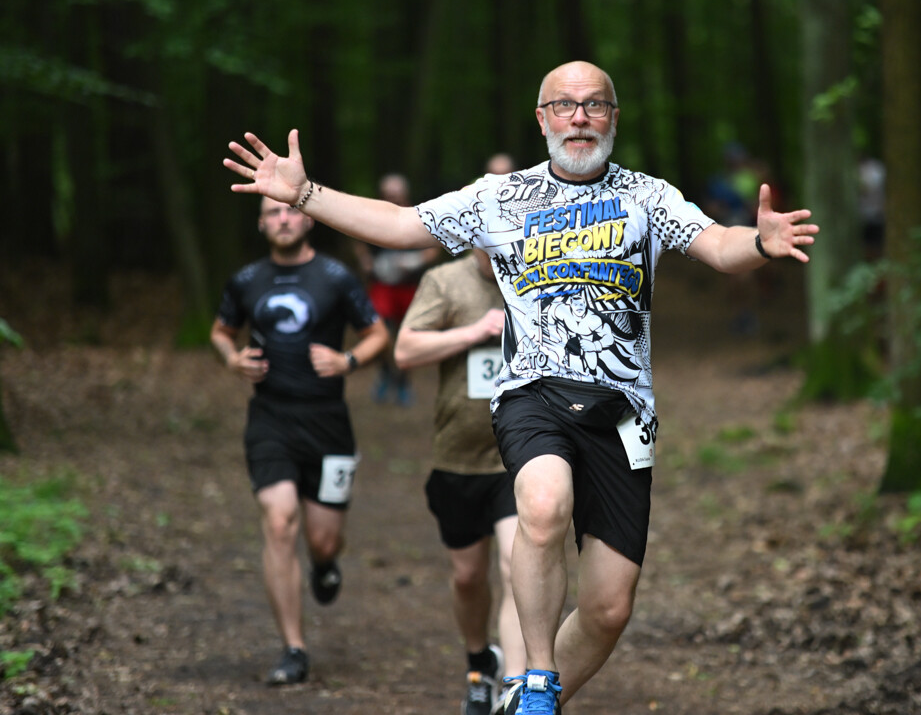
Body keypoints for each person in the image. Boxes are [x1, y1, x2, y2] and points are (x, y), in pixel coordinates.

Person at [223, 60, 819, 714]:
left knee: (609, 608)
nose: (580, 117)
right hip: (533, 394)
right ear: (542, 119)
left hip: (623, 415)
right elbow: (399, 225)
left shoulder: (648, 197)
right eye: (564, 105)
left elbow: (720, 245)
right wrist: (305, 194)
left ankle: (527, 705)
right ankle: (535, 677)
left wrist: (759, 243)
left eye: (595, 105)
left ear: (614, 119)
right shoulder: (498, 197)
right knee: (542, 503)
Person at [210, 196, 389, 686]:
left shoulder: (335, 277)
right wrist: (232, 359)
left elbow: (378, 334)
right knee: (279, 521)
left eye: (290, 210)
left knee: (323, 540)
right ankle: (294, 647)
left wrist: (347, 362)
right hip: (270, 419)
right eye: (273, 213)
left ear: (307, 219)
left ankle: (325, 564)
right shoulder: (246, 280)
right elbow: (221, 332)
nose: (283, 219)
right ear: (261, 223)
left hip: (328, 423)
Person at [393, 248, 523, 715]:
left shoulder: (539, 273)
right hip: (458, 459)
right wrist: (475, 331)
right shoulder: (446, 281)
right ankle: (479, 664)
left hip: (518, 457)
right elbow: (404, 351)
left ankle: (515, 688)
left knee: (516, 569)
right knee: (468, 577)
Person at [352, 173, 440, 405]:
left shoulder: (419, 214)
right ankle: (384, 374)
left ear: (405, 194)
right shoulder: (372, 214)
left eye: (397, 195)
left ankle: (402, 381)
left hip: (409, 287)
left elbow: (435, 247)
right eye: (389, 195)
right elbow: (357, 240)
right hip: (382, 286)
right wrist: (366, 261)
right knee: (380, 331)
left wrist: (415, 261)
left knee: (408, 333)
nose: (394, 199)